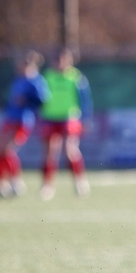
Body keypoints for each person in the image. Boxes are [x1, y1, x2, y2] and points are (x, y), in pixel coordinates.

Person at [38, 48, 93, 200]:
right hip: (49, 117)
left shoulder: (76, 77)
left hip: (69, 117)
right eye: (56, 60)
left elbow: (85, 99)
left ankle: (79, 181)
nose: (59, 63)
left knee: (70, 150)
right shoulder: (47, 77)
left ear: (69, 60)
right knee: (49, 153)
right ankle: (47, 185)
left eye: (62, 60)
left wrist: (86, 118)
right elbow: (39, 97)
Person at [0, 50, 49, 198]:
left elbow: (43, 100)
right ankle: (4, 183)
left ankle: (16, 182)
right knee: (2, 151)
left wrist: (27, 100)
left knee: (6, 150)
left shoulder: (35, 80)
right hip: (10, 118)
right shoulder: (19, 79)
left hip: (22, 120)